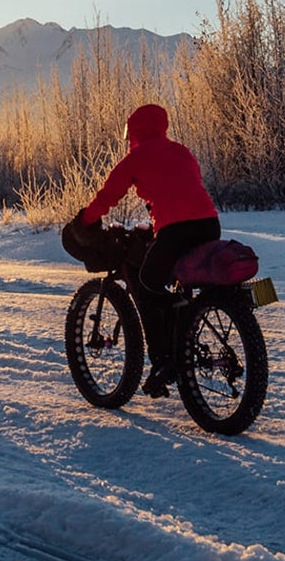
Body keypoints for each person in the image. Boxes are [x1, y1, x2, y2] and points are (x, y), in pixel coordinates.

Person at [73, 103, 219, 398]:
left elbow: (108, 195)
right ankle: (182, 327)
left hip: (176, 230)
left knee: (149, 284)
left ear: (136, 131)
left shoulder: (135, 158)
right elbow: (185, 189)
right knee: (179, 280)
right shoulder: (182, 151)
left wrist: (85, 220)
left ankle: (166, 360)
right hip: (209, 224)